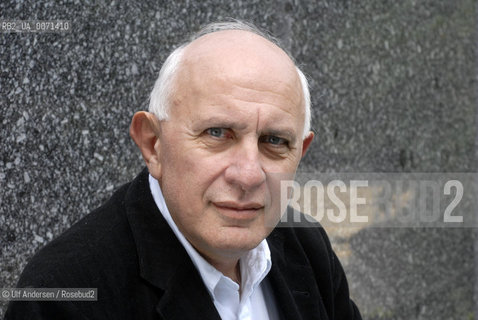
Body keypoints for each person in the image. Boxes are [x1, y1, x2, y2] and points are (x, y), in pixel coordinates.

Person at [5, 20, 361, 320]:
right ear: (153, 143)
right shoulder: (64, 297)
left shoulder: (307, 249)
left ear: (301, 151)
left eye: (274, 141)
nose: (249, 174)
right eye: (217, 133)